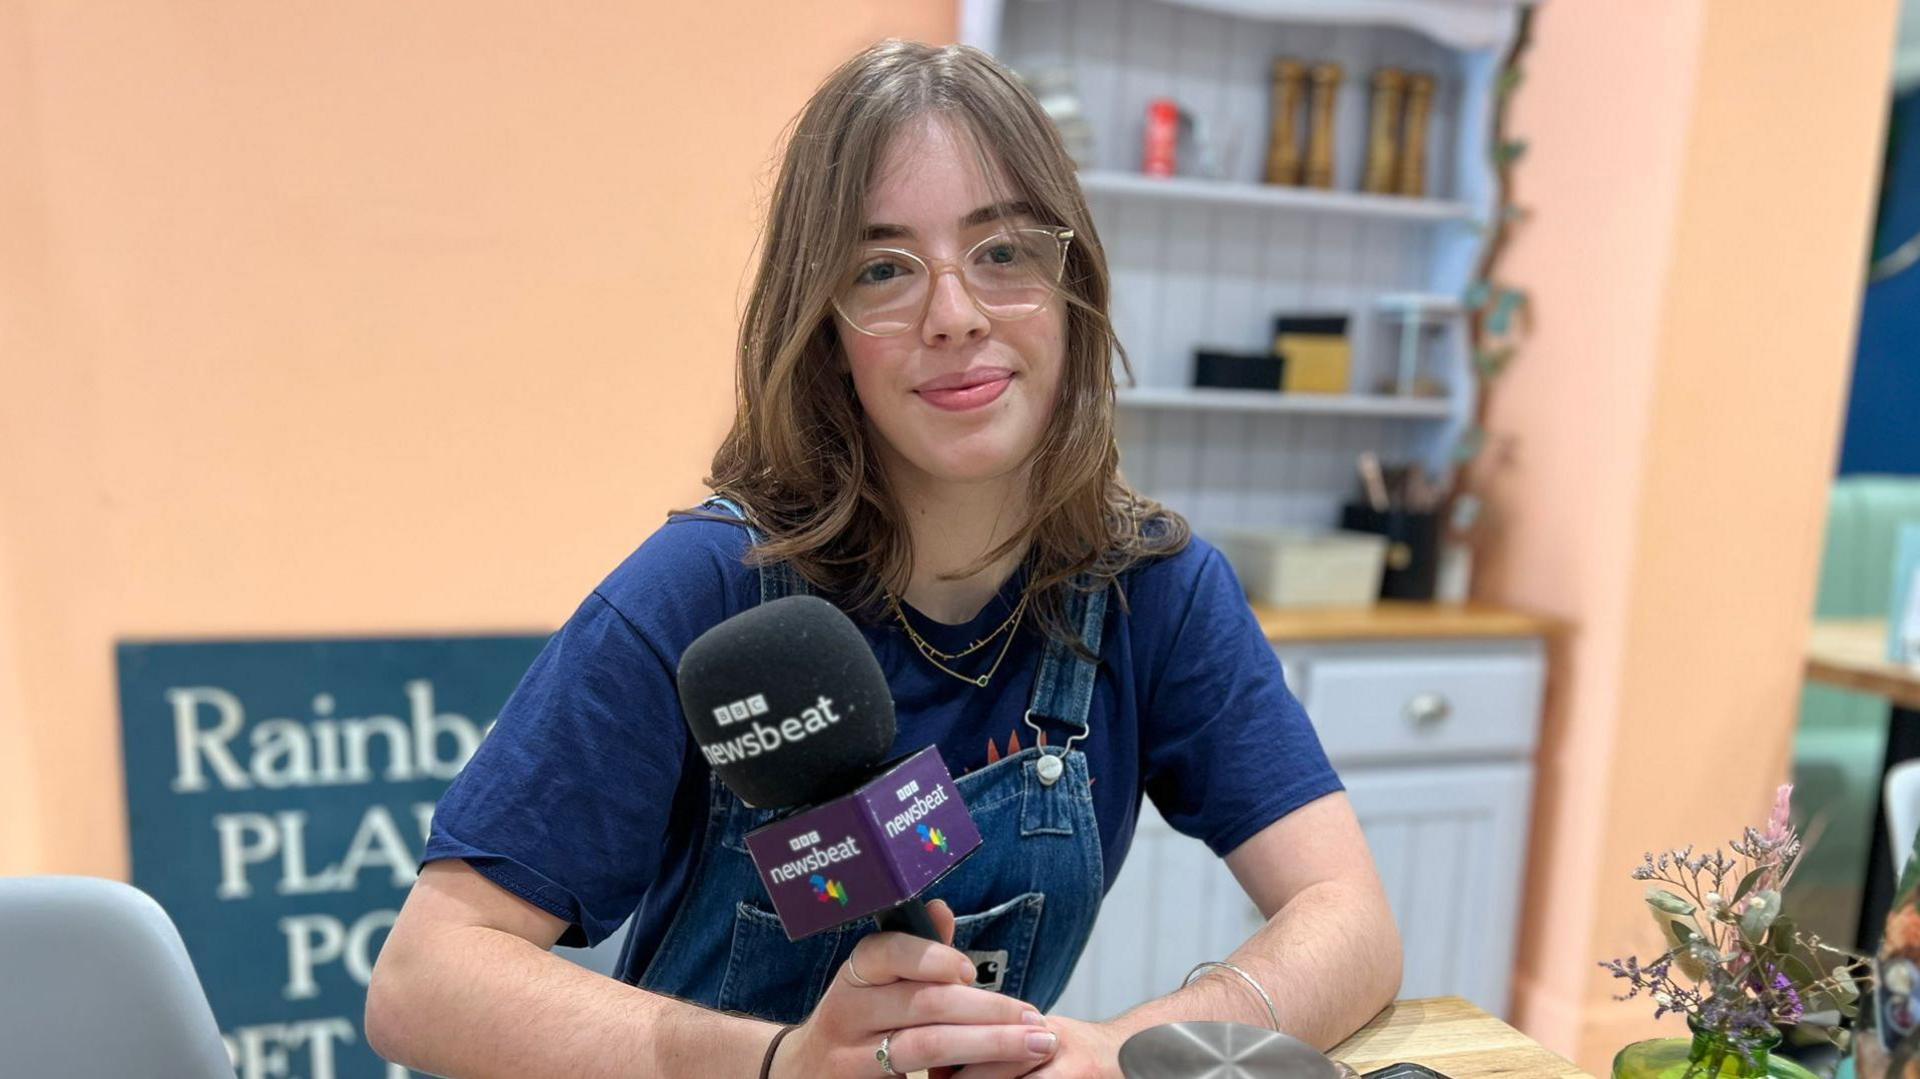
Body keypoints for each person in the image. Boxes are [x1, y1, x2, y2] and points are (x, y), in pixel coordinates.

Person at [366, 38, 1401, 1079]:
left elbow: (1349, 918)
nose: (955, 315)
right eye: (883, 270)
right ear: (823, 330)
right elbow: (427, 980)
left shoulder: (1154, 592)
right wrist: (782, 1063)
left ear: (1071, 284)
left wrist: (1117, 1052)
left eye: (1003, 253)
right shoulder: (704, 592)